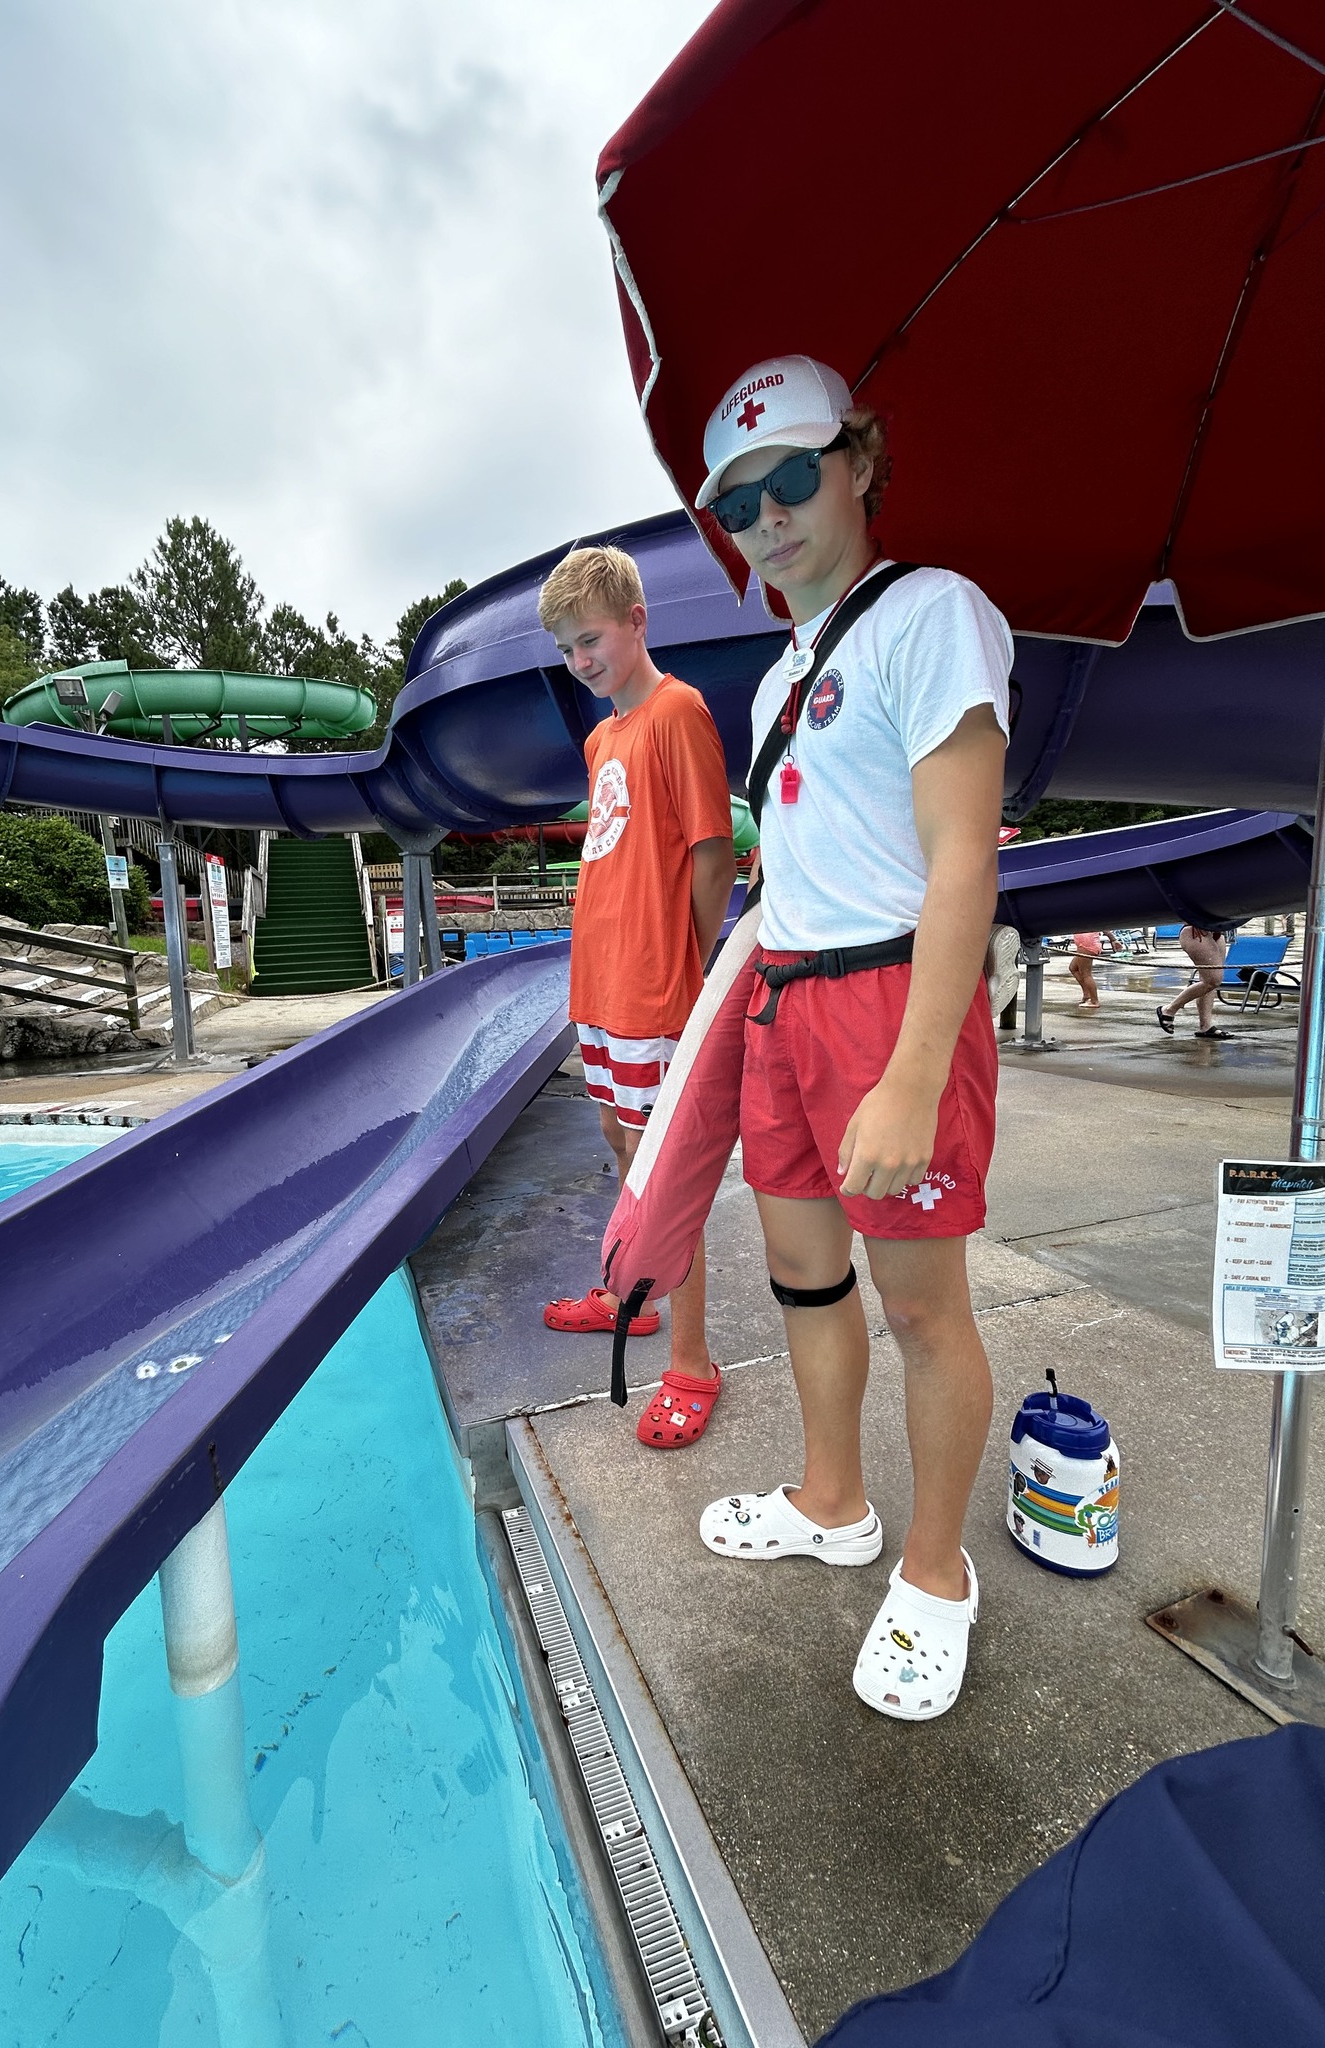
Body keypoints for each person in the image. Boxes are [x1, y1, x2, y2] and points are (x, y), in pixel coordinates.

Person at [691, 355, 1011, 1721]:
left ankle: (937, 1573)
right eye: (738, 498)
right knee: (804, 1281)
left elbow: (961, 864)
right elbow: (792, 868)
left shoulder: (931, 615)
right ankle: (835, 1502)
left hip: (891, 1003)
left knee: (924, 1308)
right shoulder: (773, 687)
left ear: (860, 464)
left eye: (791, 476)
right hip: (787, 998)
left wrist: (915, 1074)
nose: (767, 515)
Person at [538, 545, 737, 1447]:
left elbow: (710, 851)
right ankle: (630, 1293)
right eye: (568, 648)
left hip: (658, 990)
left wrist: (689, 970)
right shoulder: (599, 739)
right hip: (601, 985)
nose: (581, 661)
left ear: (636, 623)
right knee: (623, 1146)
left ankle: (691, 1363)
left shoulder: (676, 712)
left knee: (670, 1184)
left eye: (592, 639)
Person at [1156, 924, 1235, 1039]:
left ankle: (1206, 1026)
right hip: (1196, 931)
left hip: (1217, 932)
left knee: (1209, 982)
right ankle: (1169, 1009)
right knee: (1213, 981)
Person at [1069, 931, 1102, 1010]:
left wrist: (1113, 939)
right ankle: (1087, 994)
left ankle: (1094, 1001)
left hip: (1087, 945)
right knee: (1073, 968)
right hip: (1084, 944)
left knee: (1086, 974)